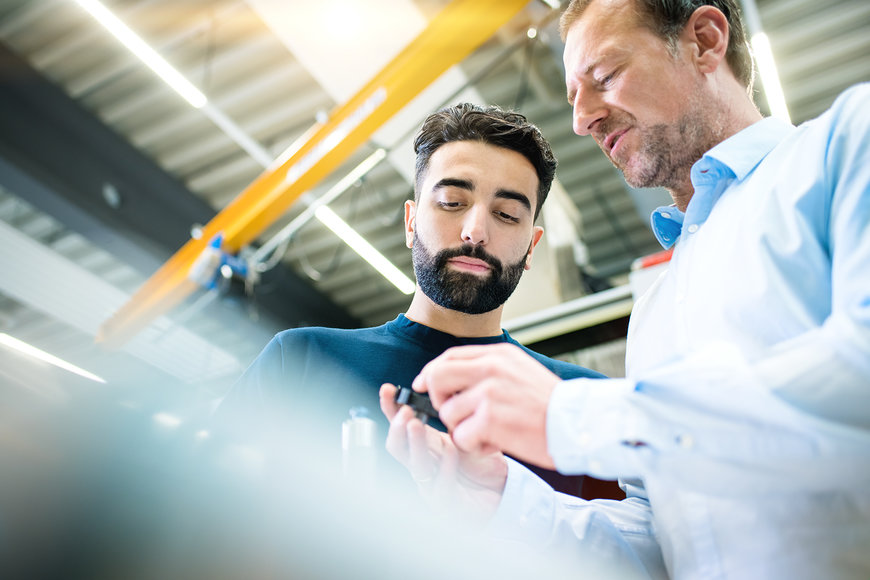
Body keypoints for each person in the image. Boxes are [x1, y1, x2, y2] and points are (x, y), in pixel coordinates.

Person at [380, 1, 870, 578]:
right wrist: (507, 502)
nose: (583, 120)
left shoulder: (844, 148)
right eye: (573, 97)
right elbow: (662, 542)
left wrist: (573, 415)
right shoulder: (658, 305)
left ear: (706, 40)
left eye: (604, 78)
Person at [215, 102, 605, 495]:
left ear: (532, 247)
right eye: (453, 203)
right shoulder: (301, 362)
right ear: (411, 221)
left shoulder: (583, 405)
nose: (475, 231)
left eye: (506, 214)